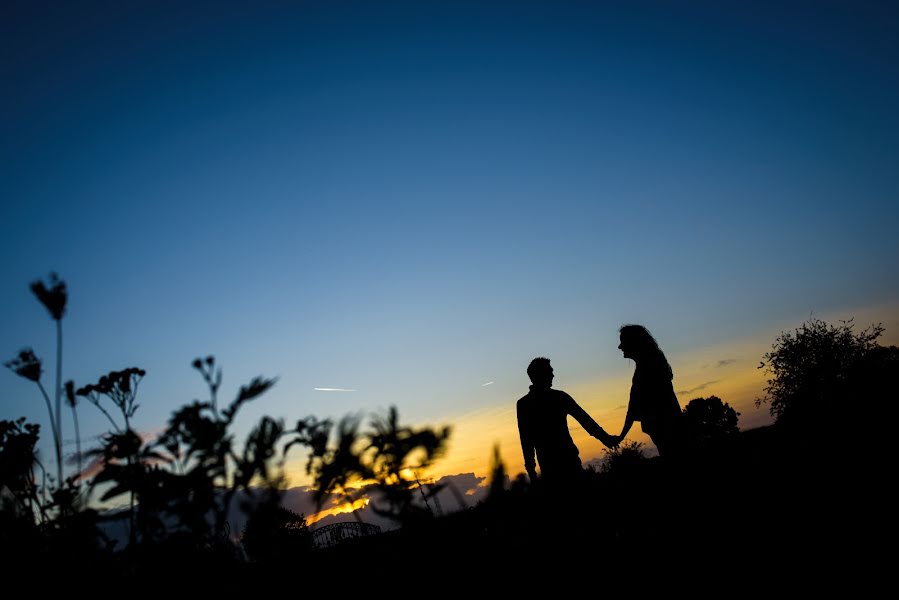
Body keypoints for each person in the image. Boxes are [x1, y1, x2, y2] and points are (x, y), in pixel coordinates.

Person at [517, 357, 616, 487]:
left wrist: (606, 438)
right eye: (549, 371)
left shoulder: (529, 403)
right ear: (539, 375)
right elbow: (526, 439)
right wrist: (606, 438)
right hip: (559, 464)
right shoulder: (554, 398)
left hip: (564, 462)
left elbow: (585, 420)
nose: (553, 375)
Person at [613, 324, 685, 456]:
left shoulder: (648, 367)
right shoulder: (650, 363)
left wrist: (621, 436)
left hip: (666, 430)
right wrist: (621, 436)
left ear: (634, 342)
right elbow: (634, 406)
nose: (620, 347)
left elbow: (633, 406)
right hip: (669, 428)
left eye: (623, 342)